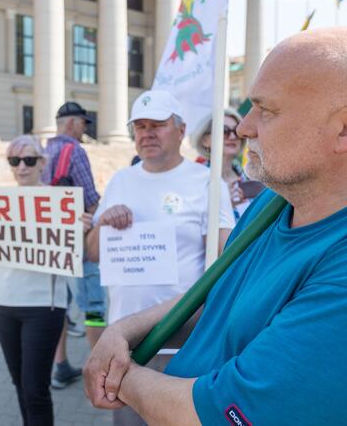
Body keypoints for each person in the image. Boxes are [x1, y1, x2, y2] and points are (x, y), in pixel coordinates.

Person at [83, 27, 347, 425]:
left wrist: (119, 378)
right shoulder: (280, 199)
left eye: (267, 110)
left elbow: (226, 414)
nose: (244, 128)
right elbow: (219, 297)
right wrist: (123, 330)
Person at [85, 90, 235, 425]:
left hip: (182, 342)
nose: (147, 133)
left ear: (181, 131)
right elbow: (93, 253)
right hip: (124, 345)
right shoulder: (122, 180)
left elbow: (226, 262)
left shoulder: (207, 183)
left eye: (157, 125)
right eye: (139, 126)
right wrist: (104, 225)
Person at [0, 135, 92, 426]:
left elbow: (72, 256)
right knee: (19, 385)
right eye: (14, 161)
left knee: (34, 388)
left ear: (42, 163)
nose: (22, 167)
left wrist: (80, 232)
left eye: (28, 160)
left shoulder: (60, 204)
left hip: (44, 306)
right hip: (2, 301)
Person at [44, 101, 107, 388]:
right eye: (83, 123)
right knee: (93, 306)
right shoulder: (74, 150)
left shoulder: (42, 151)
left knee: (58, 306)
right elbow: (90, 198)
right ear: (71, 124)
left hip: (52, 241)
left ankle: (60, 366)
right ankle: (102, 372)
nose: (84, 130)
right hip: (78, 239)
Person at [194, 109, 256, 219]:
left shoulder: (252, 180)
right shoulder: (195, 179)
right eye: (224, 131)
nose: (232, 137)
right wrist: (226, 206)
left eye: (236, 131)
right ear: (205, 140)